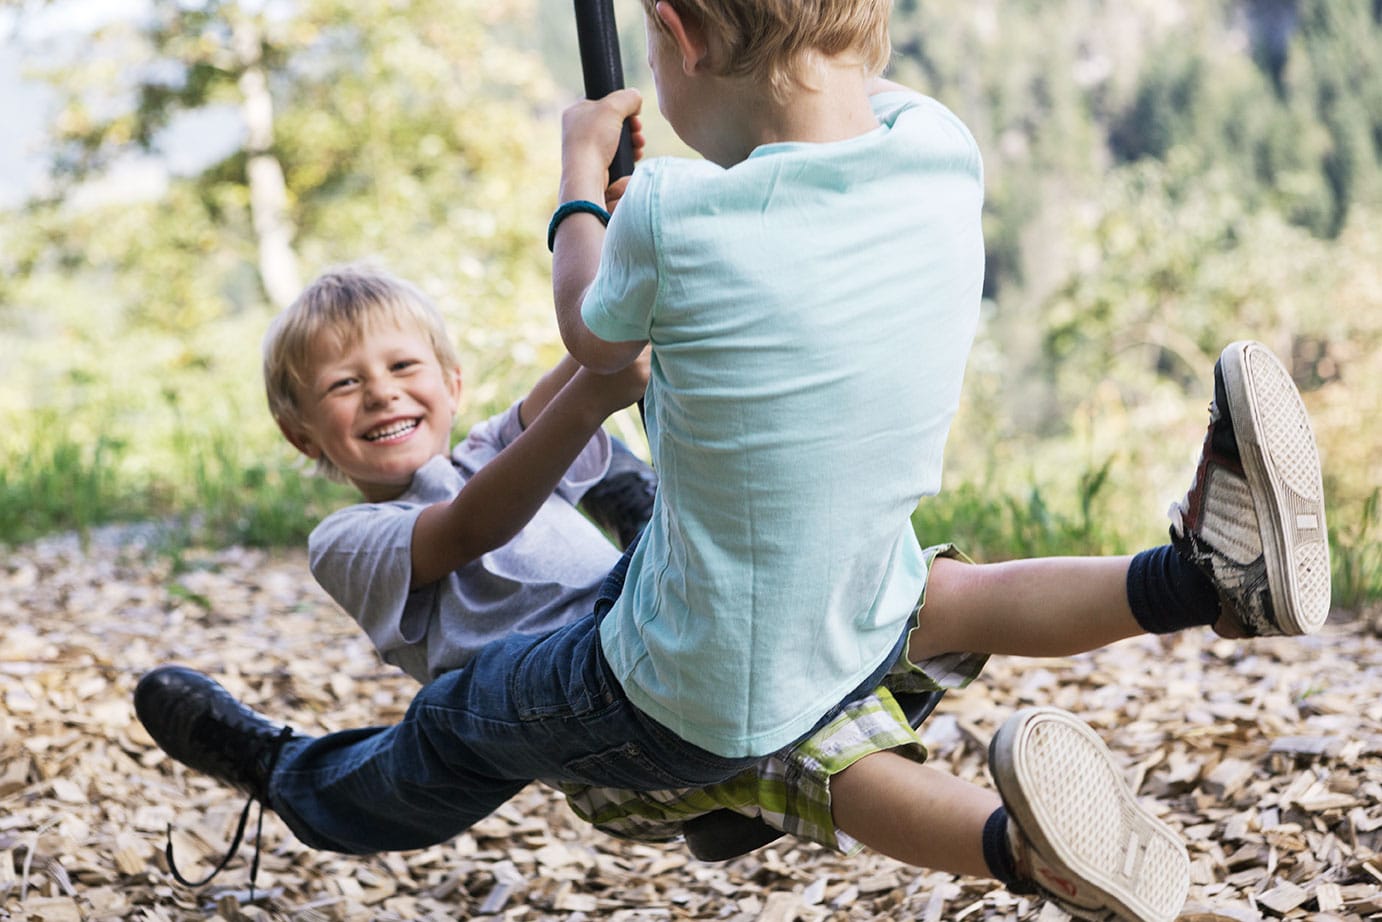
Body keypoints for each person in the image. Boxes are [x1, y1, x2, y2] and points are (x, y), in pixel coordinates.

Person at [136, 3, 1332, 920]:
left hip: (650, 676)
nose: (382, 397)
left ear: (676, 35)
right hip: (757, 605)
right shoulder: (937, 142)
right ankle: (1195, 583)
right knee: (923, 606)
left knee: (502, 717)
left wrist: (579, 188)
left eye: (402, 372)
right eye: (344, 389)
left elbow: (590, 336)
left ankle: (1019, 849)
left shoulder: (661, 222)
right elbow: (474, 518)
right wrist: (610, 370)